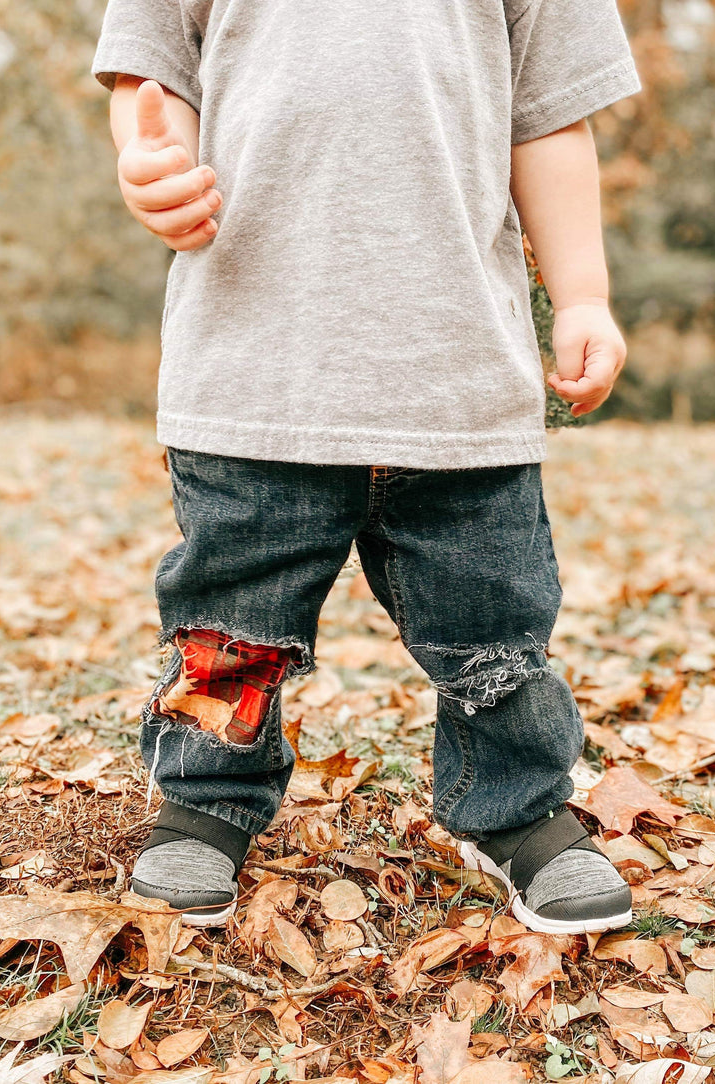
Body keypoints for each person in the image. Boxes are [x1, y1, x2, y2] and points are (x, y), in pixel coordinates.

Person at [93, 0, 641, 935]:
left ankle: (514, 806)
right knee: (233, 620)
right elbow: (153, 76)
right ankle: (205, 801)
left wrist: (582, 292)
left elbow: (550, 117)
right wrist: (154, 165)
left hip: (457, 372)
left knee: (493, 621)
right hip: (255, 366)